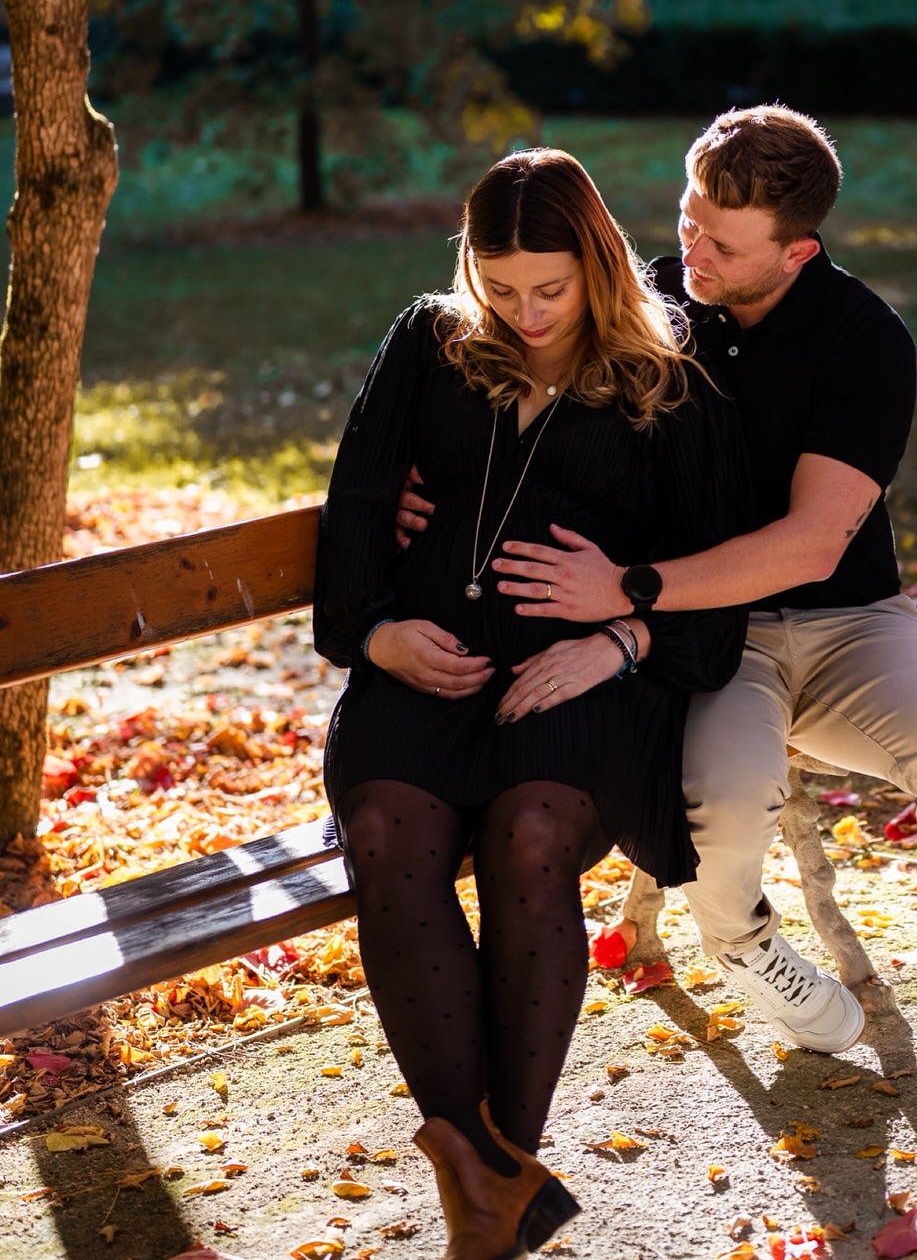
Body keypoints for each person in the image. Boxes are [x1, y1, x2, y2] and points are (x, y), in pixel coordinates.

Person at [398, 107, 917, 1216]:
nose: (690, 256)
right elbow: (508, 380)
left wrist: (632, 590)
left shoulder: (863, 340)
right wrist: (424, 485)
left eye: (723, 244)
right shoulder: (649, 307)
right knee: (718, 789)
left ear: (797, 252)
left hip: (850, 624)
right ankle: (744, 941)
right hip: (712, 642)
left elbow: (813, 542)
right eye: (688, 221)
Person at [316, 147, 746, 1260]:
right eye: (499, 287)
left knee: (532, 835)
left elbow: (715, 579)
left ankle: (493, 1169)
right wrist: (378, 634)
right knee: (384, 830)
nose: (524, 312)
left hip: (586, 685)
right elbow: (357, 503)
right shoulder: (433, 338)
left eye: (547, 290)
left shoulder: (669, 370)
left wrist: (618, 639)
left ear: (596, 262)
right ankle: (495, 1178)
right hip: (428, 669)